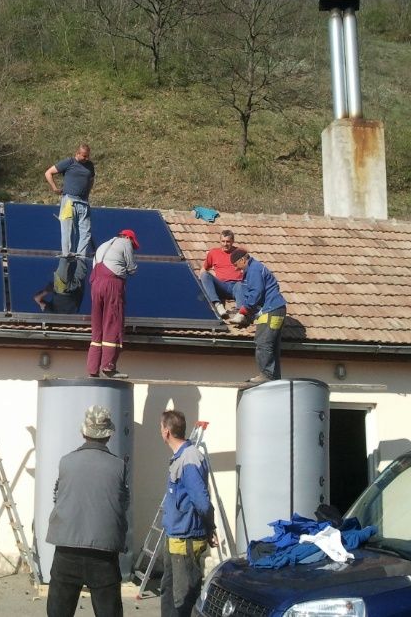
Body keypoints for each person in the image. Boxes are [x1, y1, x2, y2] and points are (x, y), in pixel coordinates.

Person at [46, 405, 129, 617]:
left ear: (84, 432)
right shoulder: (118, 465)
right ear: (109, 435)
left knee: (59, 612)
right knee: (108, 611)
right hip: (104, 553)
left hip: (67, 549)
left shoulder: (66, 461)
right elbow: (123, 504)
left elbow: (57, 497)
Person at [159, 409, 216, 617]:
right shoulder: (181, 456)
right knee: (169, 594)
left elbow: (202, 501)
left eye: (161, 427)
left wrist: (210, 527)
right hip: (176, 539)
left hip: (186, 542)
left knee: (183, 600)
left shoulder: (189, 458)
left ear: (166, 432)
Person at [227, 249, 287, 384]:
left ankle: (267, 375)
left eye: (236, 265)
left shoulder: (254, 270)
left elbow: (256, 292)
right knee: (272, 345)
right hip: (277, 310)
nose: (236, 269)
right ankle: (274, 378)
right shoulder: (256, 268)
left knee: (263, 342)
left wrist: (244, 310)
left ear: (242, 260)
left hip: (270, 310)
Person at [87, 229, 138, 379]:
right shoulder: (125, 242)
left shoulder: (103, 245)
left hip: (96, 285)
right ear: (128, 237)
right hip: (112, 284)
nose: (133, 247)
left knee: (97, 326)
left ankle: (92, 369)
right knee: (113, 323)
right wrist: (132, 269)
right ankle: (108, 367)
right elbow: (131, 268)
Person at [45, 144, 95, 257]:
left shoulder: (90, 165)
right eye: (84, 156)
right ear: (77, 153)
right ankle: (66, 254)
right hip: (69, 201)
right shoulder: (69, 162)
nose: (86, 158)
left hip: (83, 202)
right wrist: (54, 188)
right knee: (67, 229)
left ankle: (80, 255)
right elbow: (48, 173)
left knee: (85, 230)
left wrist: (88, 192)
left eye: (88, 156)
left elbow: (91, 179)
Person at [198, 229, 244, 319]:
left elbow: (249, 269)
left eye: (228, 241)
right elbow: (204, 269)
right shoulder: (213, 253)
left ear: (233, 241)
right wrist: (200, 280)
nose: (225, 244)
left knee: (241, 284)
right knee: (204, 275)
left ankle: (241, 313)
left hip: (236, 286)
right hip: (221, 286)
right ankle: (218, 305)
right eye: (223, 241)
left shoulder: (240, 252)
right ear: (220, 241)